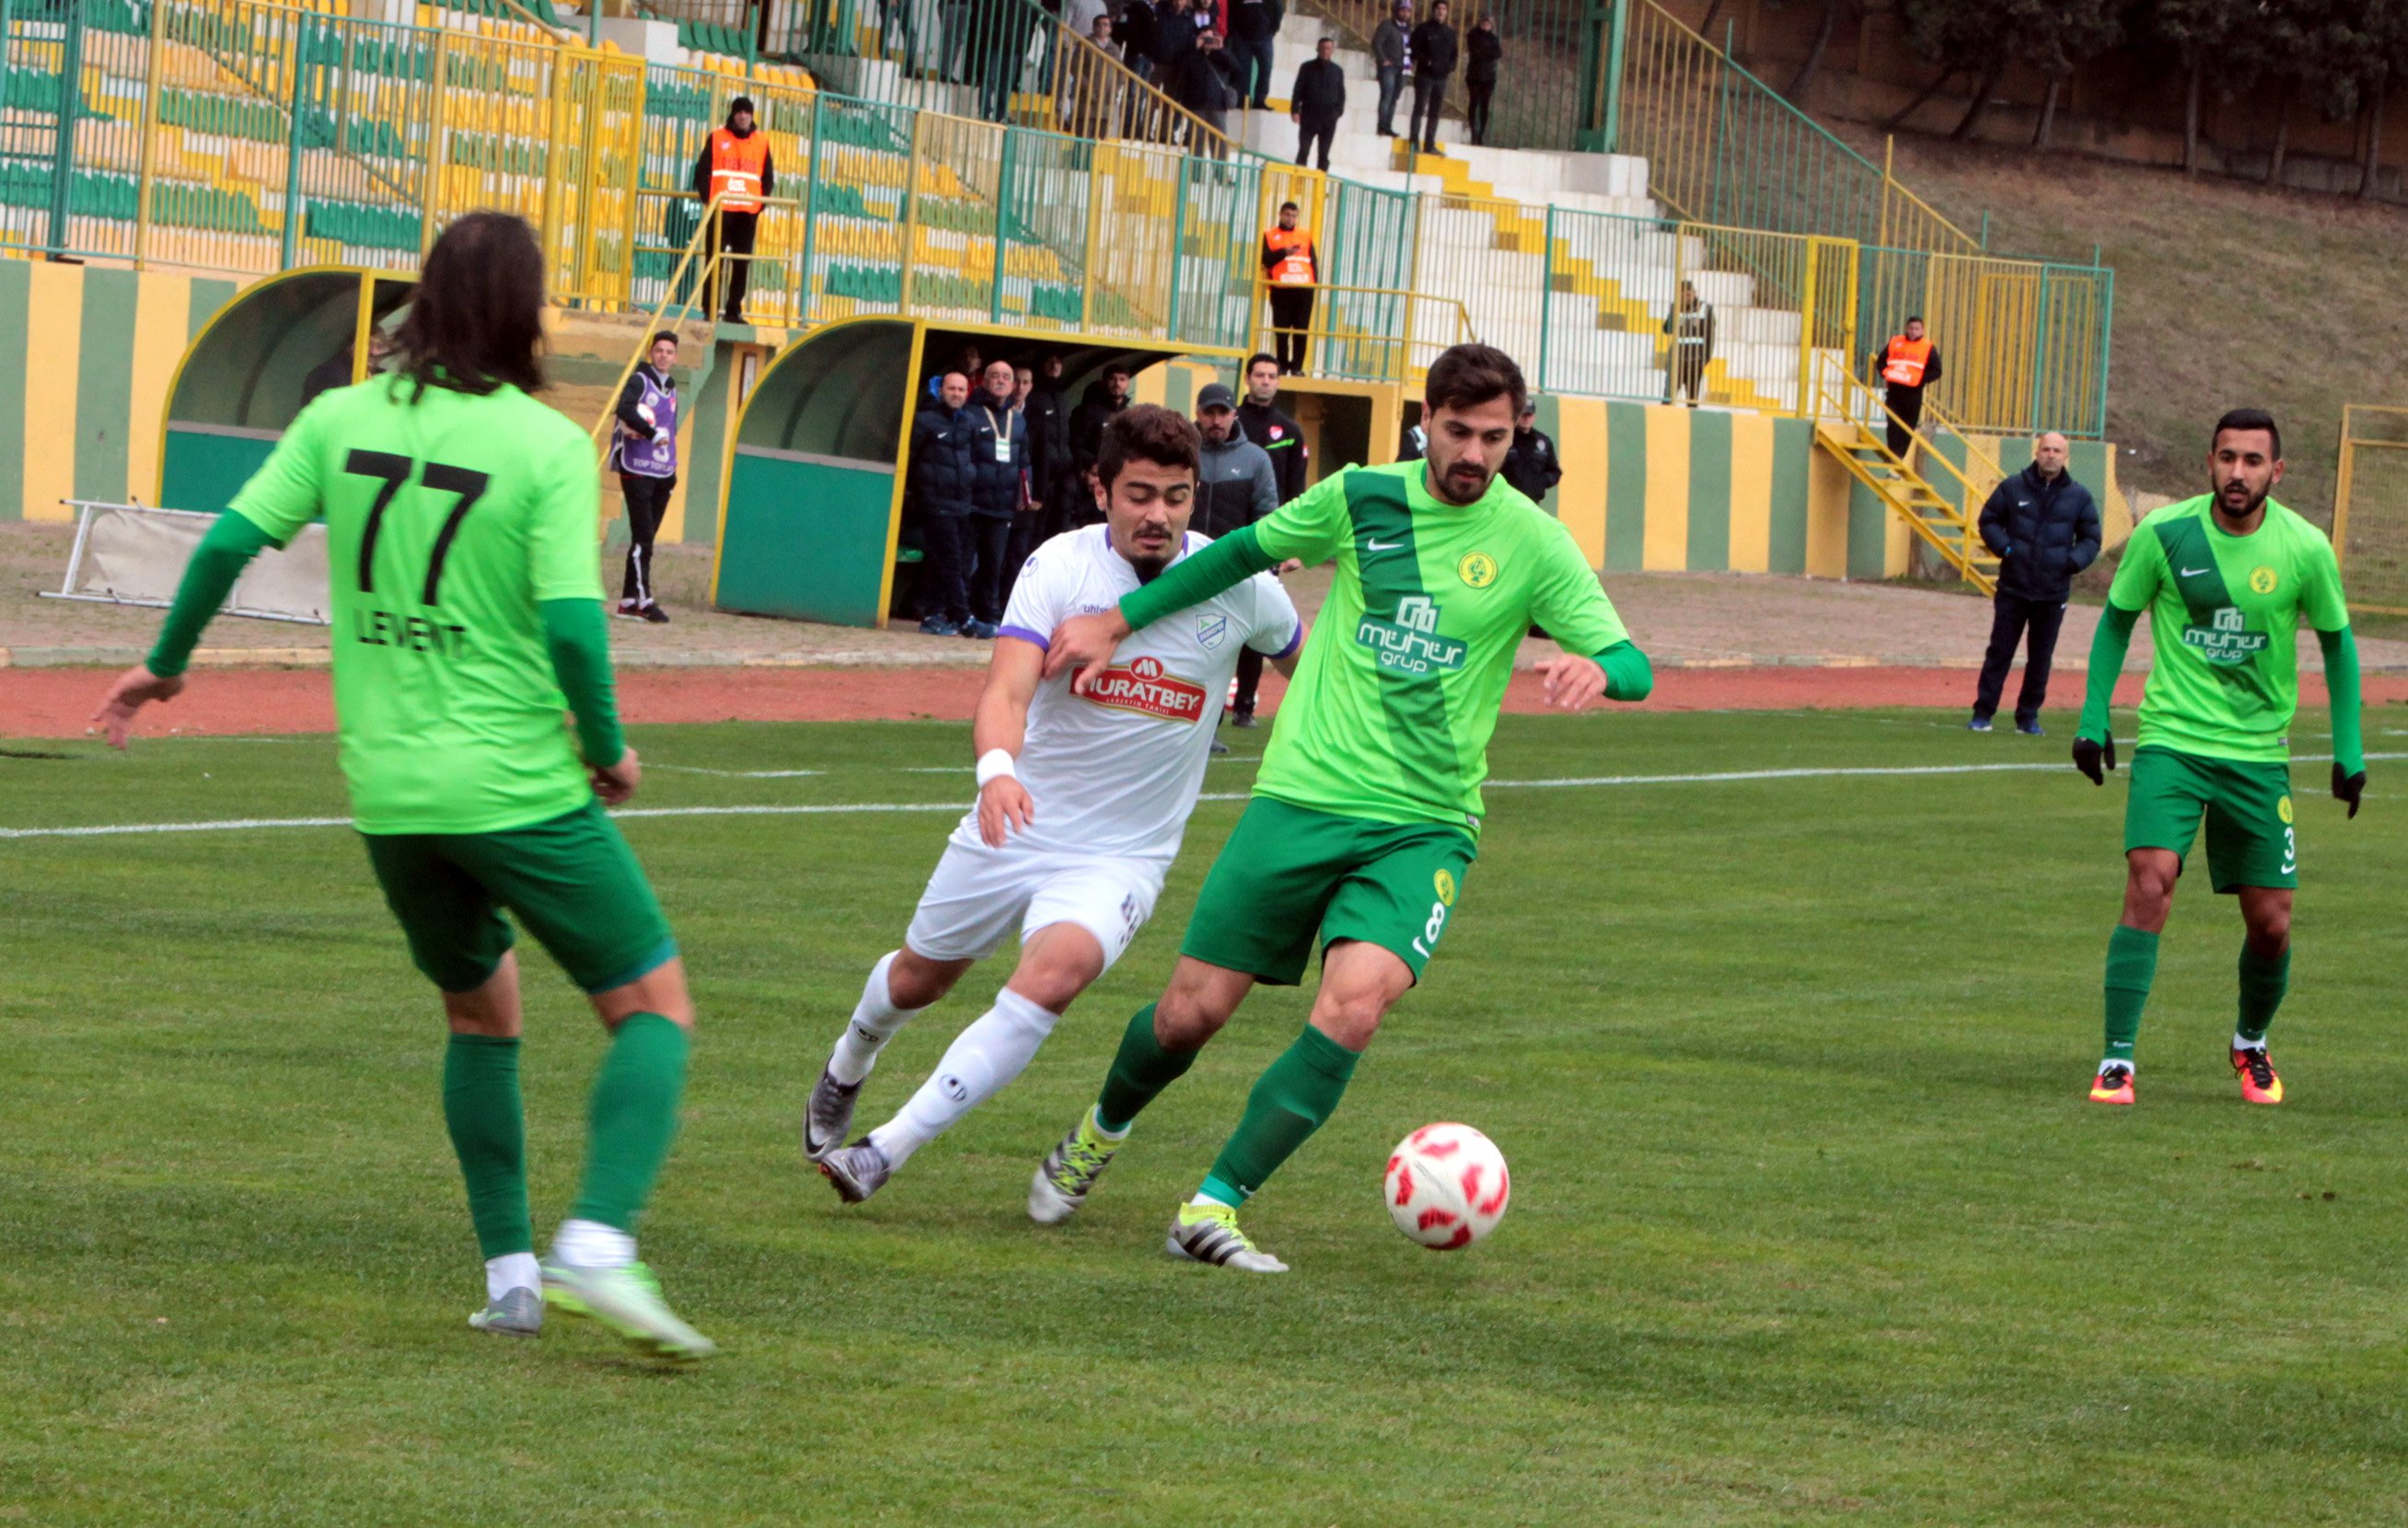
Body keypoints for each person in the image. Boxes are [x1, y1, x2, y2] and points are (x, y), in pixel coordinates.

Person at [88, 212, 714, 1360]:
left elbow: (227, 541)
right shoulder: (539, 443)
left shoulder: (339, 415)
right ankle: (598, 1241)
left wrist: (165, 667)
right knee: (654, 1009)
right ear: (527, 317)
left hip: (388, 794)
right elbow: (577, 629)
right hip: (515, 780)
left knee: (482, 1012)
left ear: (424, 300)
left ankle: (512, 1273)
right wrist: (610, 746)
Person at [1030, 343, 1654, 1271]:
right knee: (1189, 1015)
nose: (1475, 454)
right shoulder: (1363, 496)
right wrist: (1119, 621)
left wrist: (1596, 665)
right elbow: (1242, 555)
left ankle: (1214, 1204)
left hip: (1426, 820)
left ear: (1516, 431)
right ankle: (1099, 1129)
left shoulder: (1534, 541)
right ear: (1426, 421)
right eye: (1458, 432)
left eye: (1494, 436)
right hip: (1303, 797)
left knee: (1355, 1006)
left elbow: (1636, 666)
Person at [805, 406, 1305, 1199]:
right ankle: (851, 1058)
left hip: (1122, 856)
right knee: (918, 980)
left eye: (1176, 497)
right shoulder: (1058, 567)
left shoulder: (1239, 586)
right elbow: (1004, 688)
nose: (1158, 515)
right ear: (1099, 487)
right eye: (1139, 493)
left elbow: (1304, 672)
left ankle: (885, 1150)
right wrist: (997, 771)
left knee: (1056, 974)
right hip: (1018, 819)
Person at [2069, 409, 2365, 1110]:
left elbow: (2339, 645)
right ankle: (2117, 1060)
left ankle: (2250, 1043)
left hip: (2258, 756)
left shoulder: (2304, 547)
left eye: (2253, 461)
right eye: (2227, 458)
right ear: (2209, 462)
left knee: (2272, 922)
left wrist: (2348, 750)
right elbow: (2115, 621)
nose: (2238, 472)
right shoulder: (2165, 535)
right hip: (2172, 740)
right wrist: (2091, 719)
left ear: (2277, 471)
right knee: (2150, 880)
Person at [1968, 432, 2100, 735]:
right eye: (2046, 449)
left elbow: (2091, 538)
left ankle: (2028, 717)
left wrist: (2071, 562)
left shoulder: (2079, 496)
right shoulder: (2013, 487)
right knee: (2000, 651)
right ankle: (1983, 713)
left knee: (2041, 658)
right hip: (2013, 587)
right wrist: (2007, 549)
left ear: (2066, 456)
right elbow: (1988, 520)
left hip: (2053, 593)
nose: (2051, 455)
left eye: (2057, 451)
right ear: (2037, 452)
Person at [1233, 353, 1307, 728]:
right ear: (1247, 379)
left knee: (1256, 620)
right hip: (1231, 534)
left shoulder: (1290, 430)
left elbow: (1297, 491)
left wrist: (1295, 547)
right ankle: (1212, 704)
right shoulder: (1231, 422)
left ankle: (1245, 704)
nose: (1265, 381)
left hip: (1270, 541)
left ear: (1279, 381)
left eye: (1272, 375)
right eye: (1259, 374)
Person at [609, 331, 680, 625]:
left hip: (662, 471)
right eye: (659, 350)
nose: (664, 355)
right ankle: (644, 601)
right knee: (643, 538)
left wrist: (672, 472)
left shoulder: (671, 386)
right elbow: (624, 409)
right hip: (637, 467)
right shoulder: (640, 380)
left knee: (646, 538)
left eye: (669, 351)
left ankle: (628, 601)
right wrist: (649, 433)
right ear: (652, 353)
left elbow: (669, 426)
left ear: (675, 357)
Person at [690, 96, 773, 324]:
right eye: (739, 112)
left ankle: (734, 310)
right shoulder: (717, 137)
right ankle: (710, 308)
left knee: (741, 262)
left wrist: (758, 205)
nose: (743, 116)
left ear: (752, 115)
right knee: (713, 260)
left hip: (746, 213)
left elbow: (768, 178)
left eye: (747, 112)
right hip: (721, 210)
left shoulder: (762, 141)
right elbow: (701, 171)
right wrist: (709, 199)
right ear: (733, 114)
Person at [963, 359, 1031, 637]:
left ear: (1013, 385)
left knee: (994, 564)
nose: (1001, 381)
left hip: (1002, 506)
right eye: (995, 376)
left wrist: (1025, 494)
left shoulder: (1019, 419)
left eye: (1006, 377)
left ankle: (989, 617)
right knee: (966, 562)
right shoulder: (970, 414)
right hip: (972, 503)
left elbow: (1024, 460)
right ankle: (960, 615)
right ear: (984, 381)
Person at [911, 371, 978, 635]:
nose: (957, 394)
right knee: (950, 560)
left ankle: (934, 614)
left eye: (961, 390)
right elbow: (912, 458)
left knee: (954, 561)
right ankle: (963, 618)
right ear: (941, 390)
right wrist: (917, 493)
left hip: (962, 503)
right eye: (952, 389)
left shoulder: (969, 421)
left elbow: (972, 458)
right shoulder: (925, 420)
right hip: (934, 502)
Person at [1067, 364, 1133, 527]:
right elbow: (1075, 444)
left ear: (1128, 383)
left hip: (1118, 483)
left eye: (1122, 379)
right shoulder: (1088, 411)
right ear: (1105, 381)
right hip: (1089, 486)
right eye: (1113, 379)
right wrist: (1091, 465)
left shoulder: (1129, 415)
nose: (1117, 383)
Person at [1260, 201, 1319, 376]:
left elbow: (1313, 261)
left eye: (1294, 216)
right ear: (1280, 214)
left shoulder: (1305, 235)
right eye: (1287, 215)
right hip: (1281, 288)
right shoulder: (1270, 235)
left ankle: (1297, 367)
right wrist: (1283, 252)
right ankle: (1283, 365)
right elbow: (1266, 259)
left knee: (1301, 330)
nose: (1290, 219)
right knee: (1282, 330)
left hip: (1303, 287)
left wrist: (1314, 284)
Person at [1873, 316, 1940, 458]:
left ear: (1922, 330)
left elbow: (1937, 370)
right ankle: (1892, 453)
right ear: (1906, 328)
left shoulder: (1927, 347)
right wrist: (1885, 373)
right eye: (1910, 328)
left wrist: (1921, 380)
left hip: (1913, 393)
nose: (1913, 331)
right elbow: (1881, 360)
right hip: (1894, 391)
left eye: (1916, 329)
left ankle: (1900, 456)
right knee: (1892, 422)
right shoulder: (1895, 342)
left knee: (1908, 426)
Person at [1025, 352, 1074, 540]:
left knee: (1060, 529)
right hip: (1041, 477)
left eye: (1058, 361)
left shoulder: (1063, 397)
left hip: (1063, 477)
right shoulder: (1034, 397)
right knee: (1036, 530)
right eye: (1049, 360)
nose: (1054, 365)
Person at [1407, 0, 1457, 154]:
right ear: (1433, 10)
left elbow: (1454, 55)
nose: (1441, 12)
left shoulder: (1449, 32)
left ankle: (1430, 145)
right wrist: (1428, 62)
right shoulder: (1423, 29)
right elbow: (1413, 50)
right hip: (1424, 76)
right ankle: (1414, 142)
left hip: (1441, 79)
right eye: (1438, 8)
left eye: (1444, 9)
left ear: (1447, 12)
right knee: (1420, 108)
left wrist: (1450, 67)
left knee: (1435, 112)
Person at [1291, 36, 1346, 170]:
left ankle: (1320, 185)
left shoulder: (1337, 71)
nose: (1325, 51)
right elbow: (1298, 90)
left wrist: (1338, 112)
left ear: (1332, 51)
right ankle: (1299, 183)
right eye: (1323, 48)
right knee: (1303, 150)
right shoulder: (1307, 67)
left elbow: (1341, 94)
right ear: (1318, 49)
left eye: (1328, 48)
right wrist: (1295, 110)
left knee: (1324, 154)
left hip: (1328, 119)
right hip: (1309, 117)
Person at [1662, 279, 1714, 407]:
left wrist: (1704, 359)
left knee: (1692, 401)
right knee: (1668, 398)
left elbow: (1710, 337)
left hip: (1695, 362)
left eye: (1689, 294)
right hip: (1676, 361)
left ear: (1694, 293)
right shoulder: (1676, 307)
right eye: (1683, 294)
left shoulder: (1705, 309)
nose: (1686, 297)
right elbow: (1667, 329)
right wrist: (1674, 312)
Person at [1500, 397, 1560, 504]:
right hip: (1506, 501)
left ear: (1534, 417)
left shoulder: (1544, 442)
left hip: (1533, 502)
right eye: (1523, 415)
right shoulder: (1504, 439)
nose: (1526, 419)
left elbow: (1555, 472)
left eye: (1529, 415)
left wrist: (1539, 482)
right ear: (1517, 416)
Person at [1226, 0, 1281, 109]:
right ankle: (1242, 100)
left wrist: (1271, 31)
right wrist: (1234, 33)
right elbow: (1231, 11)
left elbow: (1278, 11)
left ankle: (1260, 101)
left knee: (1266, 69)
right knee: (1242, 71)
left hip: (1264, 38)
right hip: (1242, 39)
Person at [1372, 0, 1411, 138]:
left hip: (1403, 68)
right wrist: (1383, 60)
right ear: (1396, 10)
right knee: (1387, 95)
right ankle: (1382, 125)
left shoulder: (1408, 28)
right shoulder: (1387, 25)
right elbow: (1377, 42)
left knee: (1394, 98)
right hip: (1389, 67)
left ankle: (1388, 125)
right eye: (1403, 10)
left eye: (1408, 11)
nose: (1405, 14)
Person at [1464, 13, 1499, 145]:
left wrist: (1485, 52)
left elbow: (1497, 53)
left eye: (1488, 23)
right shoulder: (1473, 35)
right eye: (1484, 23)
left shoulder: (1493, 38)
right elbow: (1475, 52)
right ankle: (1473, 131)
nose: (1486, 25)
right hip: (1475, 75)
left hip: (1488, 76)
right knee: (1474, 101)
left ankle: (1481, 134)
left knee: (1485, 104)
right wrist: (1487, 52)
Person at [1116, 0, 1156, 79]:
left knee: (1143, 87)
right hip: (1137, 54)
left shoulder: (1157, 9)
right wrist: (1138, 51)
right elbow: (1132, 29)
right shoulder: (1137, 5)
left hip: (1149, 55)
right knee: (1133, 85)